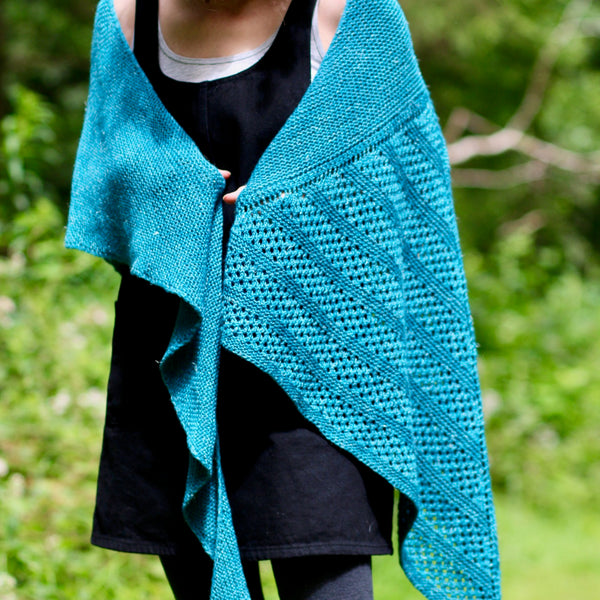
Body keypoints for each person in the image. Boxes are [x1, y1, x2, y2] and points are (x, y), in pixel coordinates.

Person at [66, 0, 501, 598]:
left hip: (317, 379)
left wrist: (278, 210)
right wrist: (177, 194)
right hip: (174, 363)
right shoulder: (124, 19)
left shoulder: (349, 15)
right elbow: (105, 186)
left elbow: (401, 199)